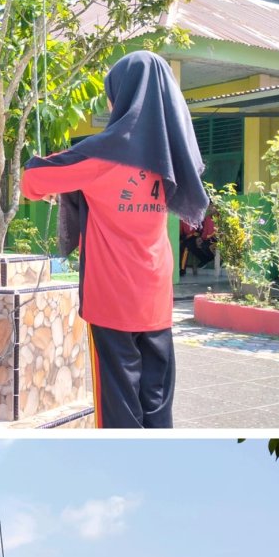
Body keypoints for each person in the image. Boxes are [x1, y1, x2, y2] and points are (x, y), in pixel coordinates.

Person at [22, 50, 209, 429]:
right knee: (157, 401)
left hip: (111, 296)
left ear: (122, 95)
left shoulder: (101, 154)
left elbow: (32, 181)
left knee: (119, 408)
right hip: (156, 293)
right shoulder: (173, 155)